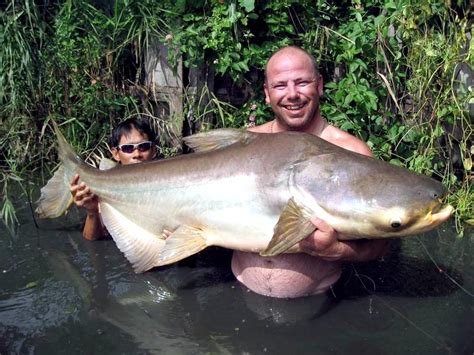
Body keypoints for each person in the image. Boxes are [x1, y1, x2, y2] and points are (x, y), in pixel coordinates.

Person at [231, 46, 390, 298]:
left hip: (316, 306)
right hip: (239, 297)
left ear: (319, 85)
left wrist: (337, 250)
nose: (292, 94)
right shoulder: (242, 144)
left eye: (302, 82)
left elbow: (380, 246)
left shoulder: (351, 152)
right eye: (280, 85)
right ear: (267, 94)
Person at [70, 117, 157, 240]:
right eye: (128, 148)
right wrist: (92, 211)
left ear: (153, 150)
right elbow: (93, 241)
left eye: (144, 147)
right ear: (115, 154)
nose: (137, 154)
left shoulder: (173, 183)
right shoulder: (104, 189)